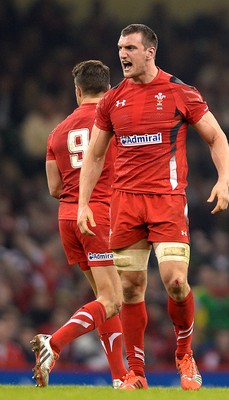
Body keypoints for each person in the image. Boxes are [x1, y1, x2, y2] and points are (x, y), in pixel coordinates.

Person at [77, 24, 229, 391]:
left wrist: (223, 180)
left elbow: (216, 136)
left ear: (150, 52)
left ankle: (184, 355)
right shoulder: (112, 100)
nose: (122, 54)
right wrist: (84, 202)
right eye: (119, 47)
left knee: (176, 282)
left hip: (167, 201)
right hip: (125, 203)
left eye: (130, 47)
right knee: (130, 289)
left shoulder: (180, 92)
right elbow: (95, 156)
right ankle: (136, 373)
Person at [30, 60, 127, 388]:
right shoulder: (113, 121)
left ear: (77, 90)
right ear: (109, 88)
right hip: (98, 215)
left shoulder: (57, 131)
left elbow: (54, 188)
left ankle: (119, 378)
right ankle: (53, 343)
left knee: (104, 298)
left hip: (68, 220)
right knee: (113, 299)